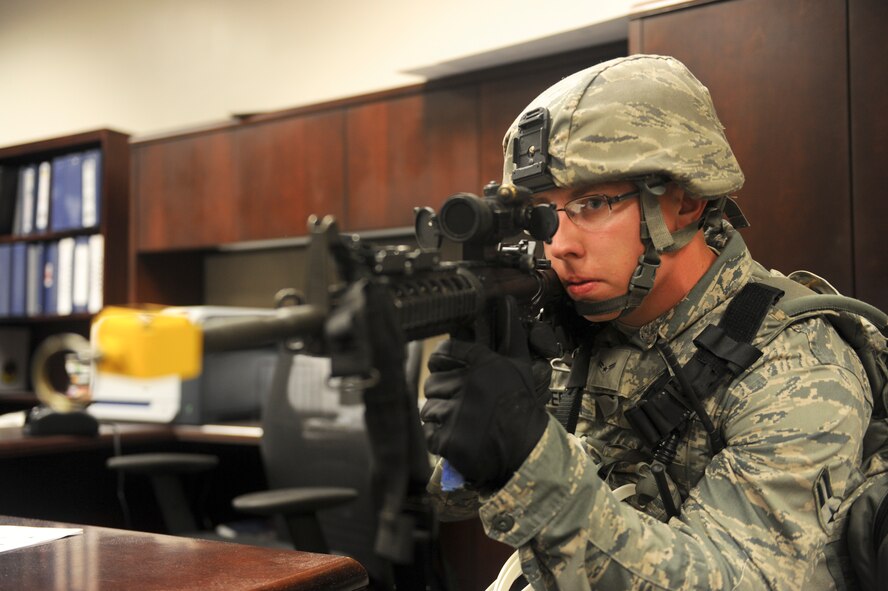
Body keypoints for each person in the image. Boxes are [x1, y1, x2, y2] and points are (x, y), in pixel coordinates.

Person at [419, 54, 871, 590]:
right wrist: (478, 435)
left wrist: (528, 452)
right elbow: (455, 501)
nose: (560, 244)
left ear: (684, 201)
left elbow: (735, 579)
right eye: (544, 213)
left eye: (591, 203)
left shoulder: (796, 368)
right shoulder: (591, 326)